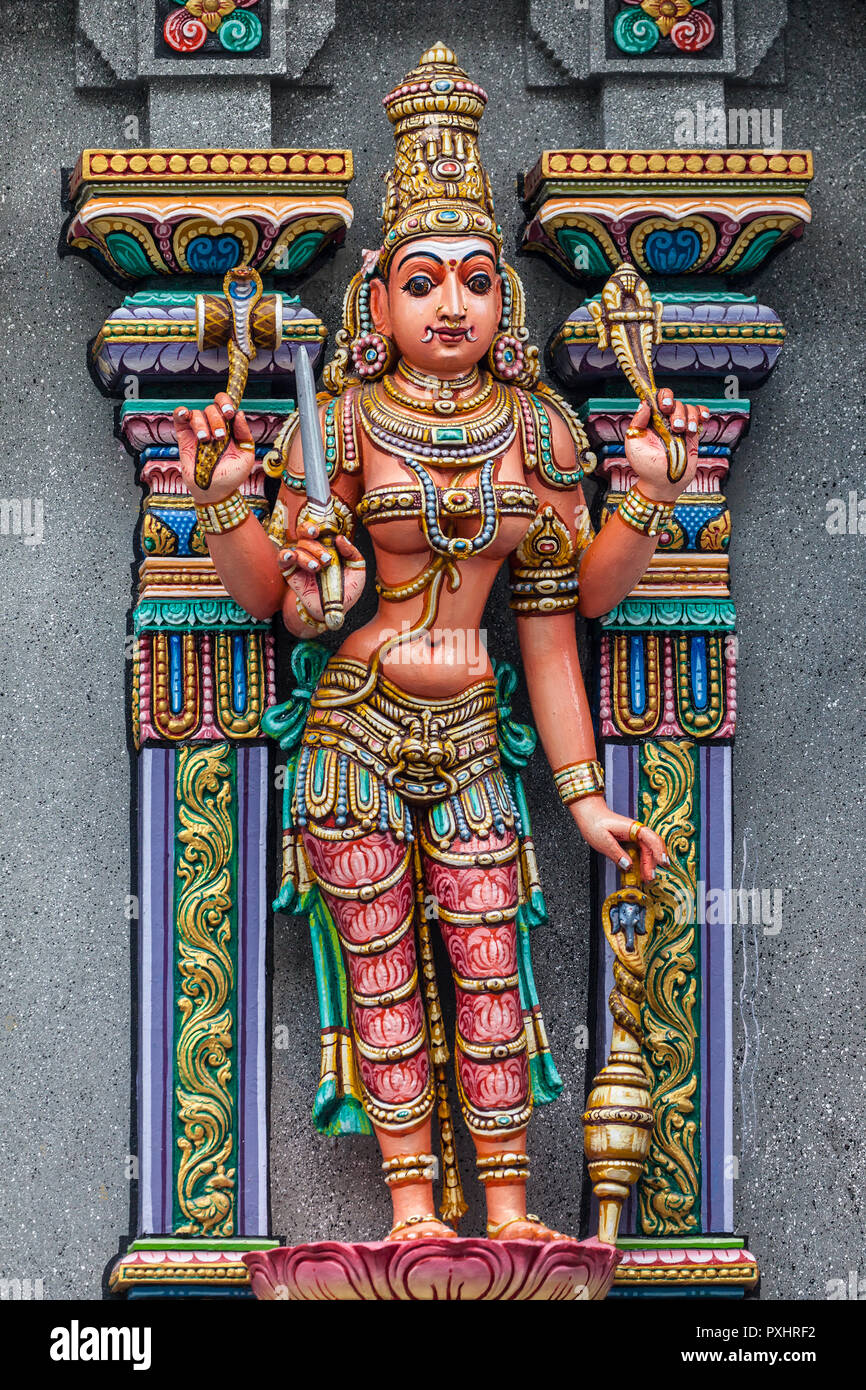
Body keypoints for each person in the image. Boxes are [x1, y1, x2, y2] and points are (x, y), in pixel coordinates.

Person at [172, 42, 705, 1243]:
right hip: (353, 728)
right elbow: (282, 602)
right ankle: (414, 1214)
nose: (451, 303)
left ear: (503, 301)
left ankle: (507, 1209)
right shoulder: (348, 423)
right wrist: (226, 502)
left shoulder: (540, 431)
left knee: (488, 971)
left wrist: (647, 495)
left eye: (473, 278)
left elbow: (569, 621)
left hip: (473, 729)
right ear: (377, 302)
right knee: (380, 982)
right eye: (422, 282)